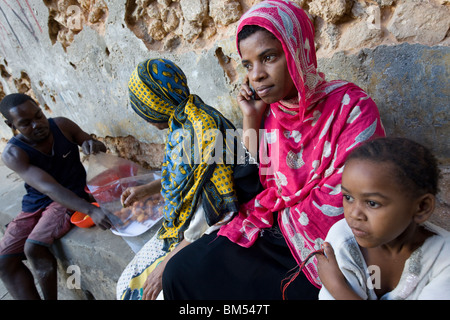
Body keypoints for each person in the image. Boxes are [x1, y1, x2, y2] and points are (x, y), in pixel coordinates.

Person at [162, 0, 385, 300]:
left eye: (268, 57)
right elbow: (258, 183)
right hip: (273, 225)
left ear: (297, 52)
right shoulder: (273, 112)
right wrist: (251, 118)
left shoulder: (351, 109)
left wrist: (285, 215)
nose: (257, 75)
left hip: (320, 248)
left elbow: (346, 205)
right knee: (180, 272)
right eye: (248, 65)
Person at [116, 58, 256, 300]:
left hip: (213, 227)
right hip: (186, 226)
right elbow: (190, 175)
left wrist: (167, 263)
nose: (144, 117)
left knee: (147, 293)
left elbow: (215, 207)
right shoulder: (183, 118)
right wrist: (147, 189)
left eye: (143, 107)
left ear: (155, 103)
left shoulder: (201, 130)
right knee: (125, 285)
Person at [0, 93, 113, 300]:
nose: (37, 125)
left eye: (38, 116)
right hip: (39, 201)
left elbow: (96, 145)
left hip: (70, 196)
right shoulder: (13, 154)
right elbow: (48, 188)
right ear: (11, 125)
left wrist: (92, 144)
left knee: (33, 248)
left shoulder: (62, 126)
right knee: (4, 261)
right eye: (26, 123)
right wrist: (90, 210)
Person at [317, 137, 450, 300]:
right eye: (348, 197)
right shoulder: (343, 239)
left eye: (372, 203)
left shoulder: (443, 259)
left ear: (421, 207)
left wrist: (338, 288)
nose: (354, 214)